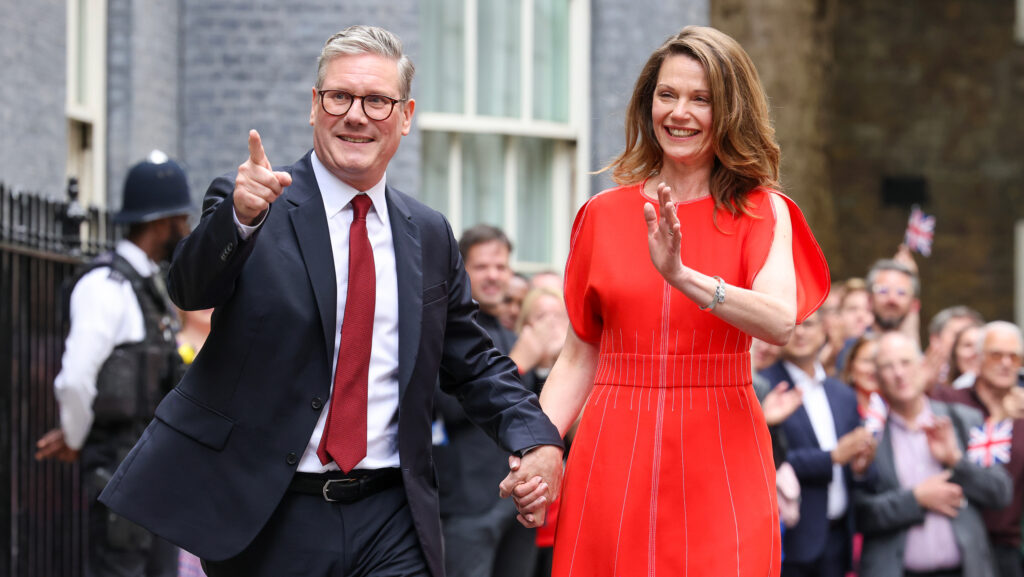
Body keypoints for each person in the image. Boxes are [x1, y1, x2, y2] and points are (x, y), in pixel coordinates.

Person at [97, 25, 564, 577]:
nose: (356, 115)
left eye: (377, 101)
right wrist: (240, 220)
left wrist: (536, 437)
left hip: (394, 514)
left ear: (406, 116)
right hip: (273, 514)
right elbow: (189, 288)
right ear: (314, 107)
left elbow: (473, 360)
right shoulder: (252, 200)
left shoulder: (430, 234)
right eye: (339, 96)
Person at [503, 26, 831, 576]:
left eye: (701, 99)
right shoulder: (601, 215)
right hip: (612, 441)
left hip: (721, 442)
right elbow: (580, 354)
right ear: (647, 103)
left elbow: (779, 322)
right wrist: (534, 446)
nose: (680, 112)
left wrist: (682, 275)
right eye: (667, 95)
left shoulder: (762, 211)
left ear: (730, 110)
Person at [34, 152, 193, 576]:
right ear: (161, 222)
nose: (187, 228)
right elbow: (75, 378)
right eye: (182, 218)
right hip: (119, 469)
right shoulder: (107, 286)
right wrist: (74, 435)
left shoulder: (147, 283)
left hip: (150, 468)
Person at [855, 331, 1012, 577]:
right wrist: (915, 499)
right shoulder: (869, 432)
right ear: (876, 376)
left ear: (922, 366)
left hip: (964, 569)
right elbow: (859, 514)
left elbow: (1000, 493)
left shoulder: (963, 419)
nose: (898, 373)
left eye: (905, 362)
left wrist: (956, 460)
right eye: (888, 366)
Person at [433, 224, 540, 577]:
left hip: (516, 504)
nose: (494, 276)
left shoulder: (509, 332)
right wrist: (520, 362)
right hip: (466, 505)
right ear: (461, 270)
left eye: (501, 266)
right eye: (482, 267)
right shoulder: (443, 330)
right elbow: (445, 407)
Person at [759, 311, 875, 577]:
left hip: (838, 538)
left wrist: (860, 465)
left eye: (808, 324)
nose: (800, 333)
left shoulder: (842, 393)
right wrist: (832, 457)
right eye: (793, 325)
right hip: (789, 538)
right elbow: (771, 459)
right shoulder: (764, 386)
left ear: (824, 330)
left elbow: (858, 469)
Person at [933, 322, 1024, 577]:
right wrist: (997, 419)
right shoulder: (949, 400)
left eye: (1014, 356)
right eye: (996, 354)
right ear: (977, 359)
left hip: (1007, 548)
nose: (1006, 363)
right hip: (956, 544)